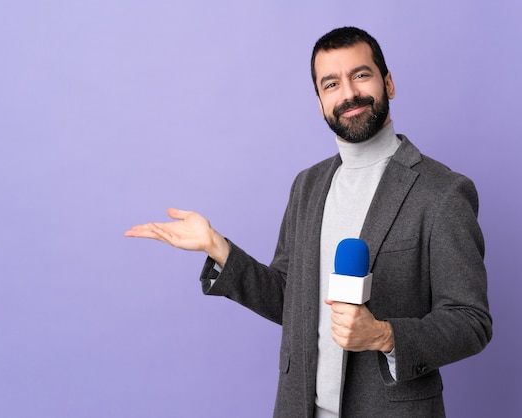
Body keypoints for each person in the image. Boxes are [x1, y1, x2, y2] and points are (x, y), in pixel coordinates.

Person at [125, 26, 492, 418]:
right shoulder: (307, 186)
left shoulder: (442, 192)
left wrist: (385, 335)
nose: (348, 93)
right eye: (331, 84)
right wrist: (218, 248)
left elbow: (471, 322)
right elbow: (289, 299)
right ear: (320, 102)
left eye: (361, 75)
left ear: (388, 83)